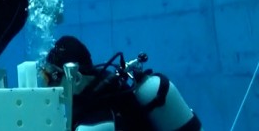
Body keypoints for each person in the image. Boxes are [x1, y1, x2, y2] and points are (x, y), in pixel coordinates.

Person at [40, 36, 202, 131]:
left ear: (76, 78)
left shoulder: (96, 123)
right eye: (43, 76)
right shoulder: (107, 90)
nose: (46, 86)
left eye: (50, 77)